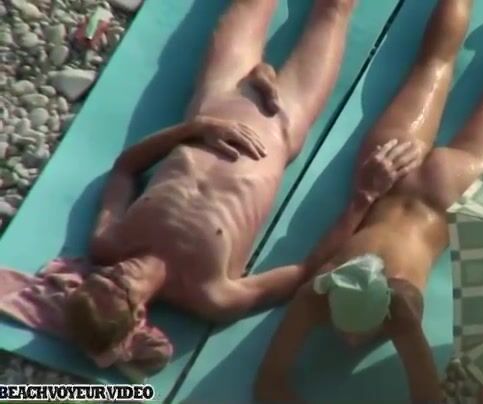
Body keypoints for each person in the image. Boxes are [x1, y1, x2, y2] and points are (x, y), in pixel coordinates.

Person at [11, 0, 358, 367]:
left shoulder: (110, 242)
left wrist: (195, 129)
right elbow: (306, 272)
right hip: (281, 122)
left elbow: (125, 169)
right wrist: (362, 199)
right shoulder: (212, 294)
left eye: (104, 276)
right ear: (138, 315)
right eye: (121, 287)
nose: (118, 271)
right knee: (334, 9)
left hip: (217, 98)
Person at [253, 0, 483, 402]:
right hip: (393, 175)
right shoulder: (318, 294)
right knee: (440, 67)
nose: (350, 342)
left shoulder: (396, 311)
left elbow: (270, 385)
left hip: (440, 193)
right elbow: (268, 384)